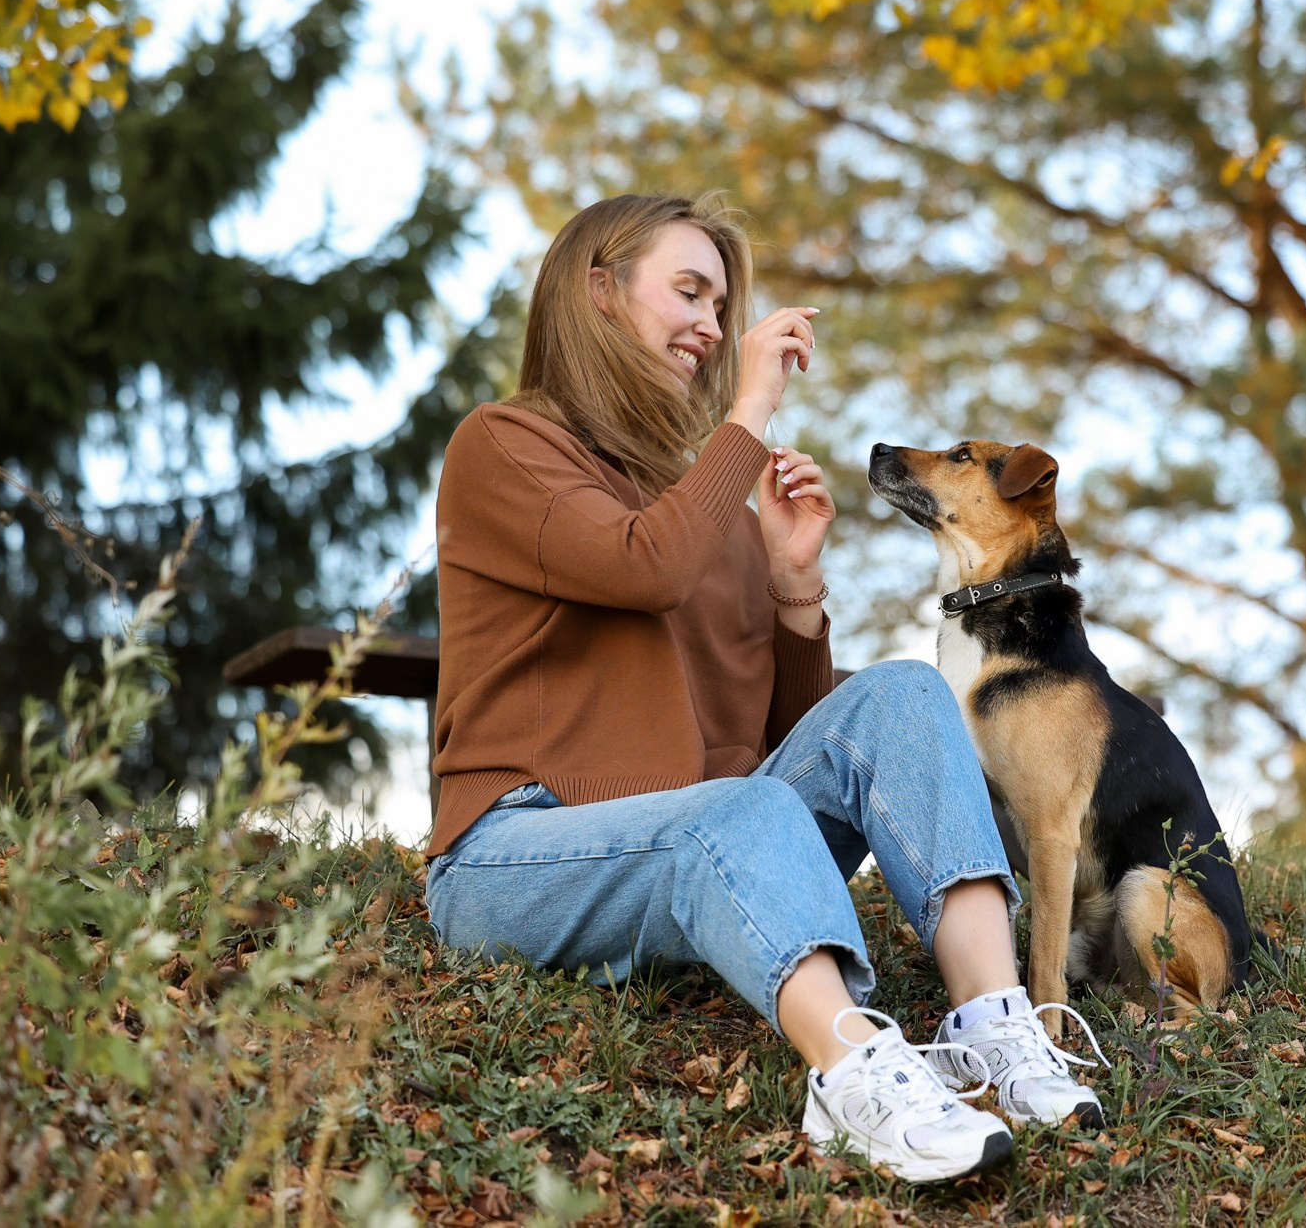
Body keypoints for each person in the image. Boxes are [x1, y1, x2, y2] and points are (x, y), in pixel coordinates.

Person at [422, 194, 1105, 1183]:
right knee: (729, 812)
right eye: (690, 292)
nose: (713, 325)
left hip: (703, 848)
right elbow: (641, 566)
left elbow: (791, 758)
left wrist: (791, 586)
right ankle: (853, 1070)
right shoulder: (504, 446)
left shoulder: (719, 514)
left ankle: (995, 1033)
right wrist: (747, 416)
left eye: (722, 301)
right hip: (515, 856)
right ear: (599, 290)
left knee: (904, 692)